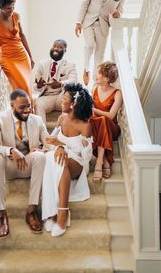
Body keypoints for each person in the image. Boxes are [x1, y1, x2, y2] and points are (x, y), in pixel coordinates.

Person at [0, 89, 48, 237]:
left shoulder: (37, 120)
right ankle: (1, 214)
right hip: (9, 166)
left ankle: (31, 211)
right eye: (22, 107)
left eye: (28, 106)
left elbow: (48, 141)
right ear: (12, 105)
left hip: (27, 164)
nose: (27, 110)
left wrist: (42, 149)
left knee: (40, 157)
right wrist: (10, 151)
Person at [41, 83, 93, 237]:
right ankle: (53, 213)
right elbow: (52, 141)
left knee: (58, 159)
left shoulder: (85, 126)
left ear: (74, 103)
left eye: (64, 99)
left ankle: (62, 214)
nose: (61, 102)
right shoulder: (61, 118)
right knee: (52, 157)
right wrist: (58, 147)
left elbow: (86, 155)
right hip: (61, 159)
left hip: (78, 164)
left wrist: (62, 146)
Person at [75, 0, 127, 85]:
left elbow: (120, 10)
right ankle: (86, 69)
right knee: (89, 45)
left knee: (100, 56)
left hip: (103, 25)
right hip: (88, 20)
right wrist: (78, 22)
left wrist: (117, 13)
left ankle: (96, 82)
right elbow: (85, 2)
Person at [0, 0, 34, 97]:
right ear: (0, 6)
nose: (11, 10)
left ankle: (29, 112)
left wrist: (30, 57)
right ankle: (21, 112)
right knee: (20, 88)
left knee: (27, 86)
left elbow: (22, 35)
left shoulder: (16, 16)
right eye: (8, 8)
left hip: (22, 56)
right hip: (7, 58)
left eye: (13, 7)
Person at [90, 61, 122, 181]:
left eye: (99, 73)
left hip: (112, 128)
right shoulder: (94, 89)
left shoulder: (117, 93)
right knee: (92, 121)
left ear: (107, 78)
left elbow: (111, 115)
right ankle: (104, 160)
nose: (96, 75)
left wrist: (94, 109)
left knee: (103, 119)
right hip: (97, 127)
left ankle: (99, 162)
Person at [35, 39, 77, 124]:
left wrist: (60, 84)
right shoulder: (42, 64)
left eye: (60, 47)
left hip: (62, 96)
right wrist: (39, 85)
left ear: (65, 50)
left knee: (70, 97)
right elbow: (36, 82)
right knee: (38, 104)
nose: (56, 49)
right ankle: (43, 134)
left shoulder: (70, 65)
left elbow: (73, 81)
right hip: (47, 96)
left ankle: (62, 132)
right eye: (54, 46)